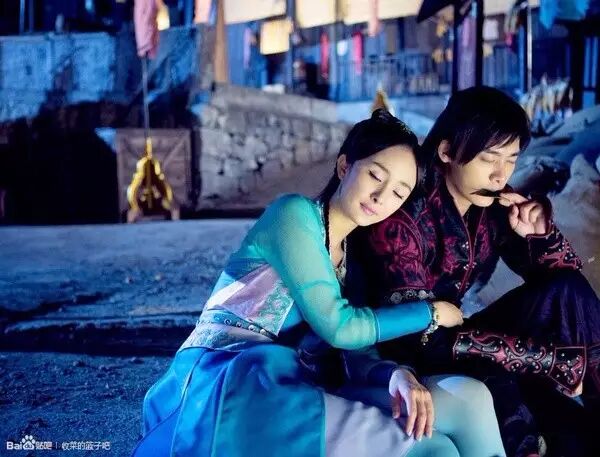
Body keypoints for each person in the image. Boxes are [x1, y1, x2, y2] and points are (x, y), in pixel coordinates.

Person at [131, 110, 506, 457]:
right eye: (376, 176)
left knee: (468, 401)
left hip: (298, 382)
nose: (381, 197)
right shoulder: (293, 215)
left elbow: (356, 349)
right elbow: (339, 327)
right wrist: (430, 313)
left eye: (399, 192)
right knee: (434, 448)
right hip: (232, 379)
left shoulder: (354, 254)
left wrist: (396, 373)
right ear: (345, 166)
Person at [352, 87, 600, 456]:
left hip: (457, 333)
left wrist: (540, 236)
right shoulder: (404, 210)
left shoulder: (492, 204)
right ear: (447, 152)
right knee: (504, 387)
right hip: (404, 347)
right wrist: (550, 360)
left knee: (567, 288)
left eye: (511, 160)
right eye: (489, 159)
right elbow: (419, 336)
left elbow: (566, 293)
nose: (500, 175)